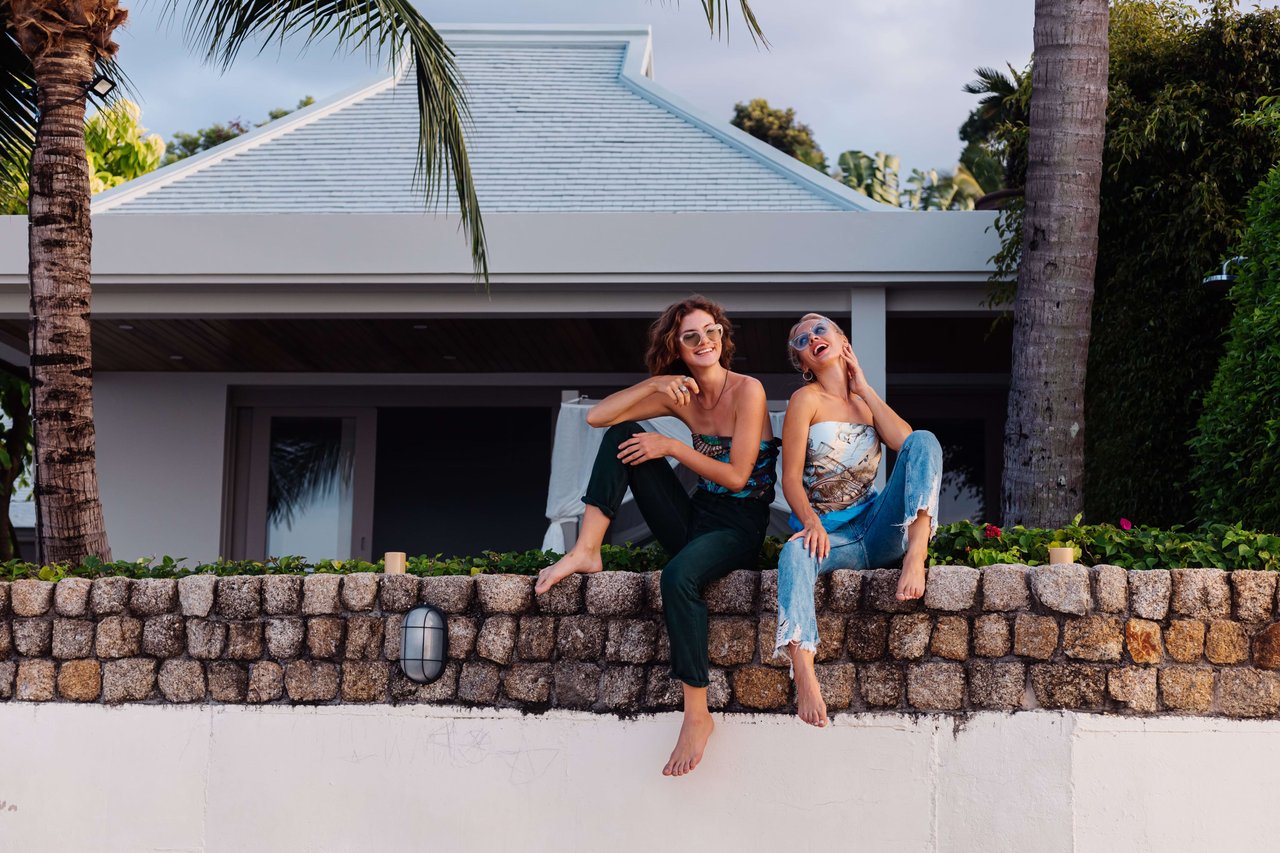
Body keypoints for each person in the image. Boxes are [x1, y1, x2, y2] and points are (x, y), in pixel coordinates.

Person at [535, 295, 779, 777]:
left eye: (711, 331)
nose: (705, 341)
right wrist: (654, 384)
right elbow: (598, 417)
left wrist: (668, 444)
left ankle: (696, 713)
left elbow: (736, 477)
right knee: (623, 434)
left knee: (677, 578)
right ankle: (587, 549)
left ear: (723, 337)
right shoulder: (679, 392)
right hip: (696, 518)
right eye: (692, 336)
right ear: (679, 349)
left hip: (739, 525)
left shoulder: (747, 390)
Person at [776, 313, 942, 727]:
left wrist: (863, 387)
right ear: (803, 363)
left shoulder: (865, 403)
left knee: (925, 438)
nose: (811, 338)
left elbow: (910, 448)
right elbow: (790, 480)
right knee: (793, 553)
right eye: (801, 340)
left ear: (841, 340)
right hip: (833, 535)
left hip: (878, 524)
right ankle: (805, 671)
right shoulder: (805, 401)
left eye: (819, 329)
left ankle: (915, 554)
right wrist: (811, 523)